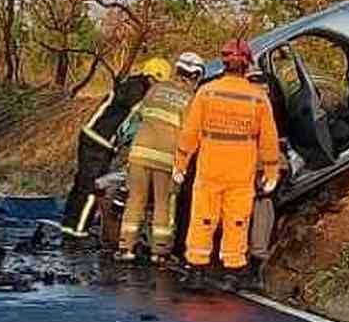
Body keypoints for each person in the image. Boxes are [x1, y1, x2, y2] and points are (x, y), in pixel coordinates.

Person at [174, 38, 280, 291]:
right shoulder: (257, 97)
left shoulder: (207, 91)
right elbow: (268, 138)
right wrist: (271, 170)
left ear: (224, 63)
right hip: (240, 171)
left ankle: (196, 271)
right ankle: (233, 274)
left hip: (210, 167)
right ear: (247, 65)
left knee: (202, 218)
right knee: (237, 221)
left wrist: (180, 162)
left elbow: (190, 132)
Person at [116, 53, 204, 263]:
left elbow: (136, 118)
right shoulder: (191, 99)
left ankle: (125, 248)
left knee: (135, 201)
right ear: (196, 76)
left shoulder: (155, 89)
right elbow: (190, 132)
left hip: (139, 155)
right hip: (167, 159)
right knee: (164, 205)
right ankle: (160, 251)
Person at [60, 61, 159, 239]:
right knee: (92, 188)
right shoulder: (138, 94)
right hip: (102, 142)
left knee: (80, 183)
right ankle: (79, 231)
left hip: (89, 135)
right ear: (152, 77)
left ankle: (68, 226)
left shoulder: (128, 84)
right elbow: (134, 124)